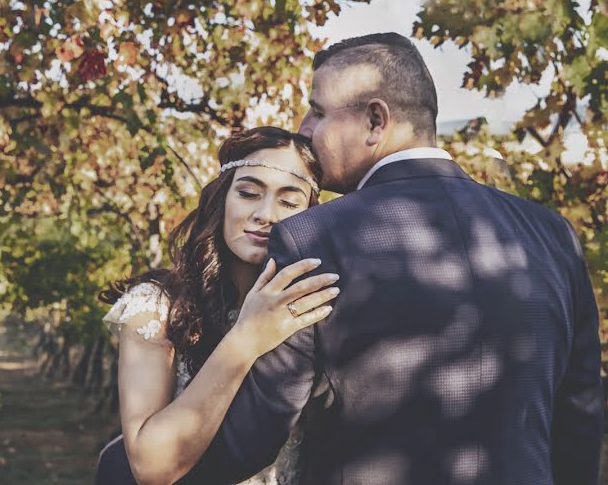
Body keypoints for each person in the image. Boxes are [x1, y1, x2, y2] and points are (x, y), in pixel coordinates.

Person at [171, 32, 603, 484]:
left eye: (317, 111)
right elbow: (579, 417)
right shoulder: (552, 234)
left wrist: (141, 460)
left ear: (376, 120)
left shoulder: (312, 238)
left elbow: (250, 441)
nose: (303, 128)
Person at [94, 126, 342, 485]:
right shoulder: (155, 307)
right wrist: (246, 340)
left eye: (289, 202)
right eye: (249, 193)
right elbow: (151, 467)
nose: (266, 214)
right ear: (222, 198)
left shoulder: (315, 307)